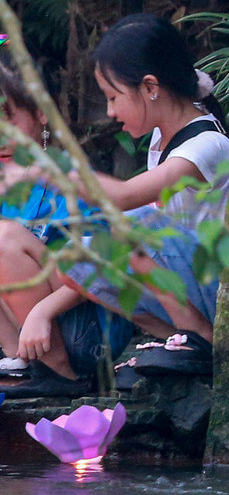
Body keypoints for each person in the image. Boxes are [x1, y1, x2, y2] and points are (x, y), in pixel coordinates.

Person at [0, 14, 229, 394]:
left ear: (150, 88)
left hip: (224, 291)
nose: (110, 112)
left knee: (125, 225)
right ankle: (176, 337)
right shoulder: (162, 140)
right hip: (189, 279)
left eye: (113, 97)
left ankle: (201, 338)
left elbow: (127, 199)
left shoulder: (206, 147)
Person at [0, 63, 135, 389]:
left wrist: (42, 312)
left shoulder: (70, 179)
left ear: (41, 113)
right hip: (25, 336)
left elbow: (105, 264)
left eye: (8, 119)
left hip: (85, 332)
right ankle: (14, 363)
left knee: (3, 237)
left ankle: (59, 372)